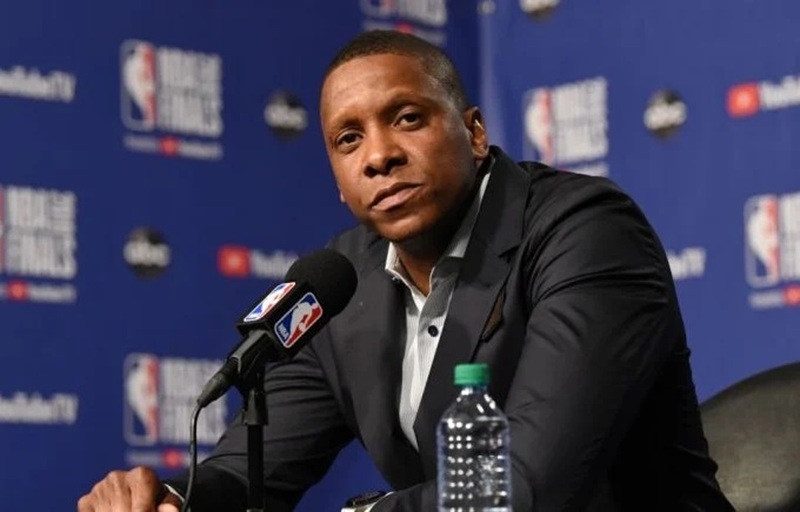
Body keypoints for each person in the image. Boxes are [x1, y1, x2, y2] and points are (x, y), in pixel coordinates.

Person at [78, 30, 735, 512]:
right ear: (338, 181)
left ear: (474, 133)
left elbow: (531, 486)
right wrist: (169, 500)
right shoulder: (341, 282)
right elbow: (254, 470)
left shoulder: (585, 231)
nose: (379, 156)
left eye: (407, 119)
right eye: (349, 139)